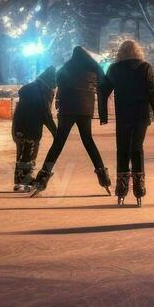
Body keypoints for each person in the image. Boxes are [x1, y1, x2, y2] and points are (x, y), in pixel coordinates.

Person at [33, 46, 112, 195]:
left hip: (67, 109)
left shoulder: (65, 68)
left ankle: (42, 178)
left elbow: (57, 85)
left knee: (58, 143)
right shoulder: (93, 68)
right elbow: (104, 85)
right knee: (88, 141)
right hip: (85, 110)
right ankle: (103, 177)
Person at [101, 40, 154, 206]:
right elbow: (153, 92)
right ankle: (139, 187)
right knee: (137, 148)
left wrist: (103, 115)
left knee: (122, 149)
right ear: (138, 51)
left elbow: (102, 90)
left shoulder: (114, 69)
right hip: (140, 115)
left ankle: (122, 188)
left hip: (123, 115)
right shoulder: (145, 67)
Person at [11, 66, 57, 190]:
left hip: (19, 125)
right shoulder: (44, 90)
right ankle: (24, 180)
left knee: (22, 153)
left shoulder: (31, 87)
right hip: (32, 127)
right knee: (29, 154)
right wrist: (56, 133)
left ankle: (20, 180)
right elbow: (46, 114)